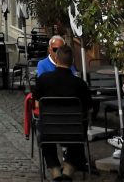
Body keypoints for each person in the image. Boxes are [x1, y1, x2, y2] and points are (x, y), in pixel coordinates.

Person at [33, 44, 93, 180]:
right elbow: (89, 109)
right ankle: (68, 171)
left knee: (42, 128)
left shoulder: (43, 80)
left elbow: (36, 104)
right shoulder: (80, 84)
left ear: (56, 59)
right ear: (72, 62)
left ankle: (55, 171)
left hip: (49, 131)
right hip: (74, 132)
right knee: (80, 127)